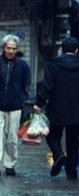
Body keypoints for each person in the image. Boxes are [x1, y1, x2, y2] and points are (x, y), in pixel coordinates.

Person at [0, 34, 31, 177]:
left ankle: (10, 164)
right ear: (3, 48)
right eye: (8, 48)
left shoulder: (23, 65)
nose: (11, 51)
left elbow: (26, 84)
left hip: (15, 105)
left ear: (17, 49)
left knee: (12, 137)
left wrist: (21, 99)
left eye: (14, 48)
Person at [34, 37, 79, 180]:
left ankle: (58, 154)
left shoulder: (53, 64)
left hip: (57, 108)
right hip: (77, 110)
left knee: (52, 134)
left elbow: (47, 87)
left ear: (62, 50)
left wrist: (39, 103)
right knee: (73, 140)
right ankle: (71, 172)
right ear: (77, 50)